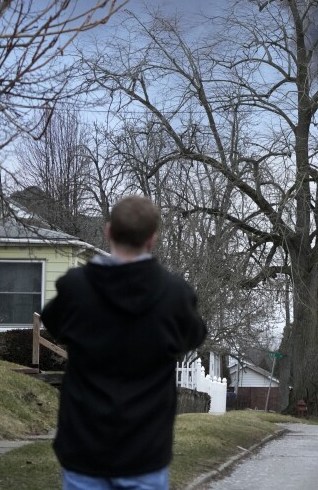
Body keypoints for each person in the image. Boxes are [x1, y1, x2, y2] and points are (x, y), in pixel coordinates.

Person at [42, 195, 207, 490]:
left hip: (84, 447)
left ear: (108, 231)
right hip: (145, 451)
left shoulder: (76, 289)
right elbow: (194, 336)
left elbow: (53, 323)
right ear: (152, 239)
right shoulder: (175, 296)